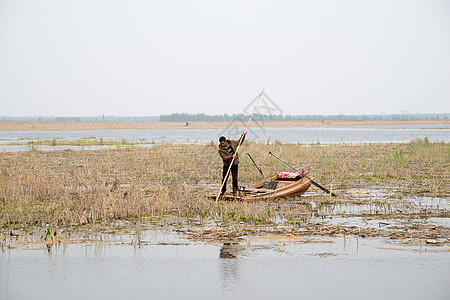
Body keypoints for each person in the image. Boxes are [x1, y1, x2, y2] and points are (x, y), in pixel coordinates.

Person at [218, 131, 246, 197]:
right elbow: (224, 158)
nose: (222, 144)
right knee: (225, 178)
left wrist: (243, 135)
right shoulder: (220, 150)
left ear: (225, 141)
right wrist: (231, 156)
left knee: (235, 178)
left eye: (223, 143)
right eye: (221, 143)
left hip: (234, 163)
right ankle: (223, 191)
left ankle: (234, 192)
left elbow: (240, 142)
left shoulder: (232, 143)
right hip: (227, 165)